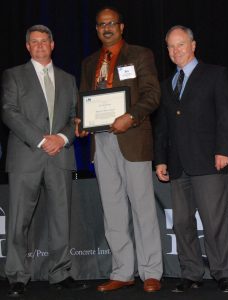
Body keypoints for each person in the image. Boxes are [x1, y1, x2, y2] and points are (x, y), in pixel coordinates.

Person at [76, 6, 163, 292]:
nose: (107, 28)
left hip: (133, 139)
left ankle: (151, 271)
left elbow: (152, 94)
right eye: (101, 24)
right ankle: (122, 271)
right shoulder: (89, 62)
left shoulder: (140, 54)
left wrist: (131, 117)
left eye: (112, 23)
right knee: (112, 210)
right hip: (100, 142)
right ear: (97, 30)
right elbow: (84, 99)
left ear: (122, 27)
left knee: (142, 208)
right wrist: (80, 120)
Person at [1, 25, 86, 297]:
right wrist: (41, 139)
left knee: (61, 219)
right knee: (18, 221)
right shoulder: (13, 75)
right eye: (34, 42)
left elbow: (76, 117)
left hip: (60, 156)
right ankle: (16, 275)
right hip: (26, 157)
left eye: (44, 41)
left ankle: (60, 272)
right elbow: (9, 112)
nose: (39, 45)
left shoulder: (67, 78)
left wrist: (61, 138)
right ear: (27, 47)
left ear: (53, 44)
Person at [154, 25, 228, 293]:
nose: (176, 50)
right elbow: (163, 127)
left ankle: (224, 273)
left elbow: (227, 115)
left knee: (215, 222)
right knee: (182, 224)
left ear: (193, 45)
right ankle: (191, 273)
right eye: (170, 46)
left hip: (209, 162)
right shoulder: (166, 85)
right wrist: (160, 159)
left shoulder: (214, 74)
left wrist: (224, 149)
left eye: (180, 44)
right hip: (178, 166)